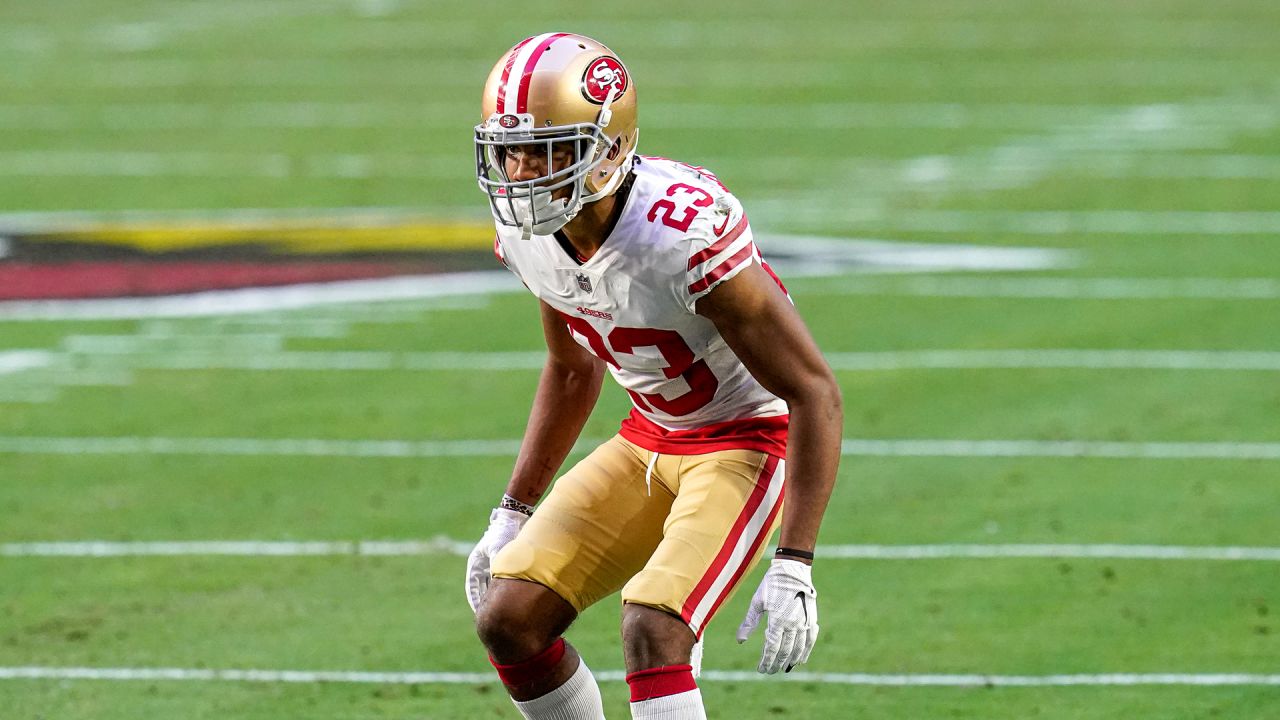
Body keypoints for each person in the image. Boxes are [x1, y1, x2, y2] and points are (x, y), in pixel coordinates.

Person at [465, 32, 843, 720]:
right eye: (509, 150)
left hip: (747, 441)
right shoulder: (525, 232)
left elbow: (812, 389)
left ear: (608, 147)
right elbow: (571, 366)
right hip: (649, 437)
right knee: (509, 618)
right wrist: (511, 510)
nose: (521, 172)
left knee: (653, 629)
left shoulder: (681, 233)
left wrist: (795, 560)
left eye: (548, 150)